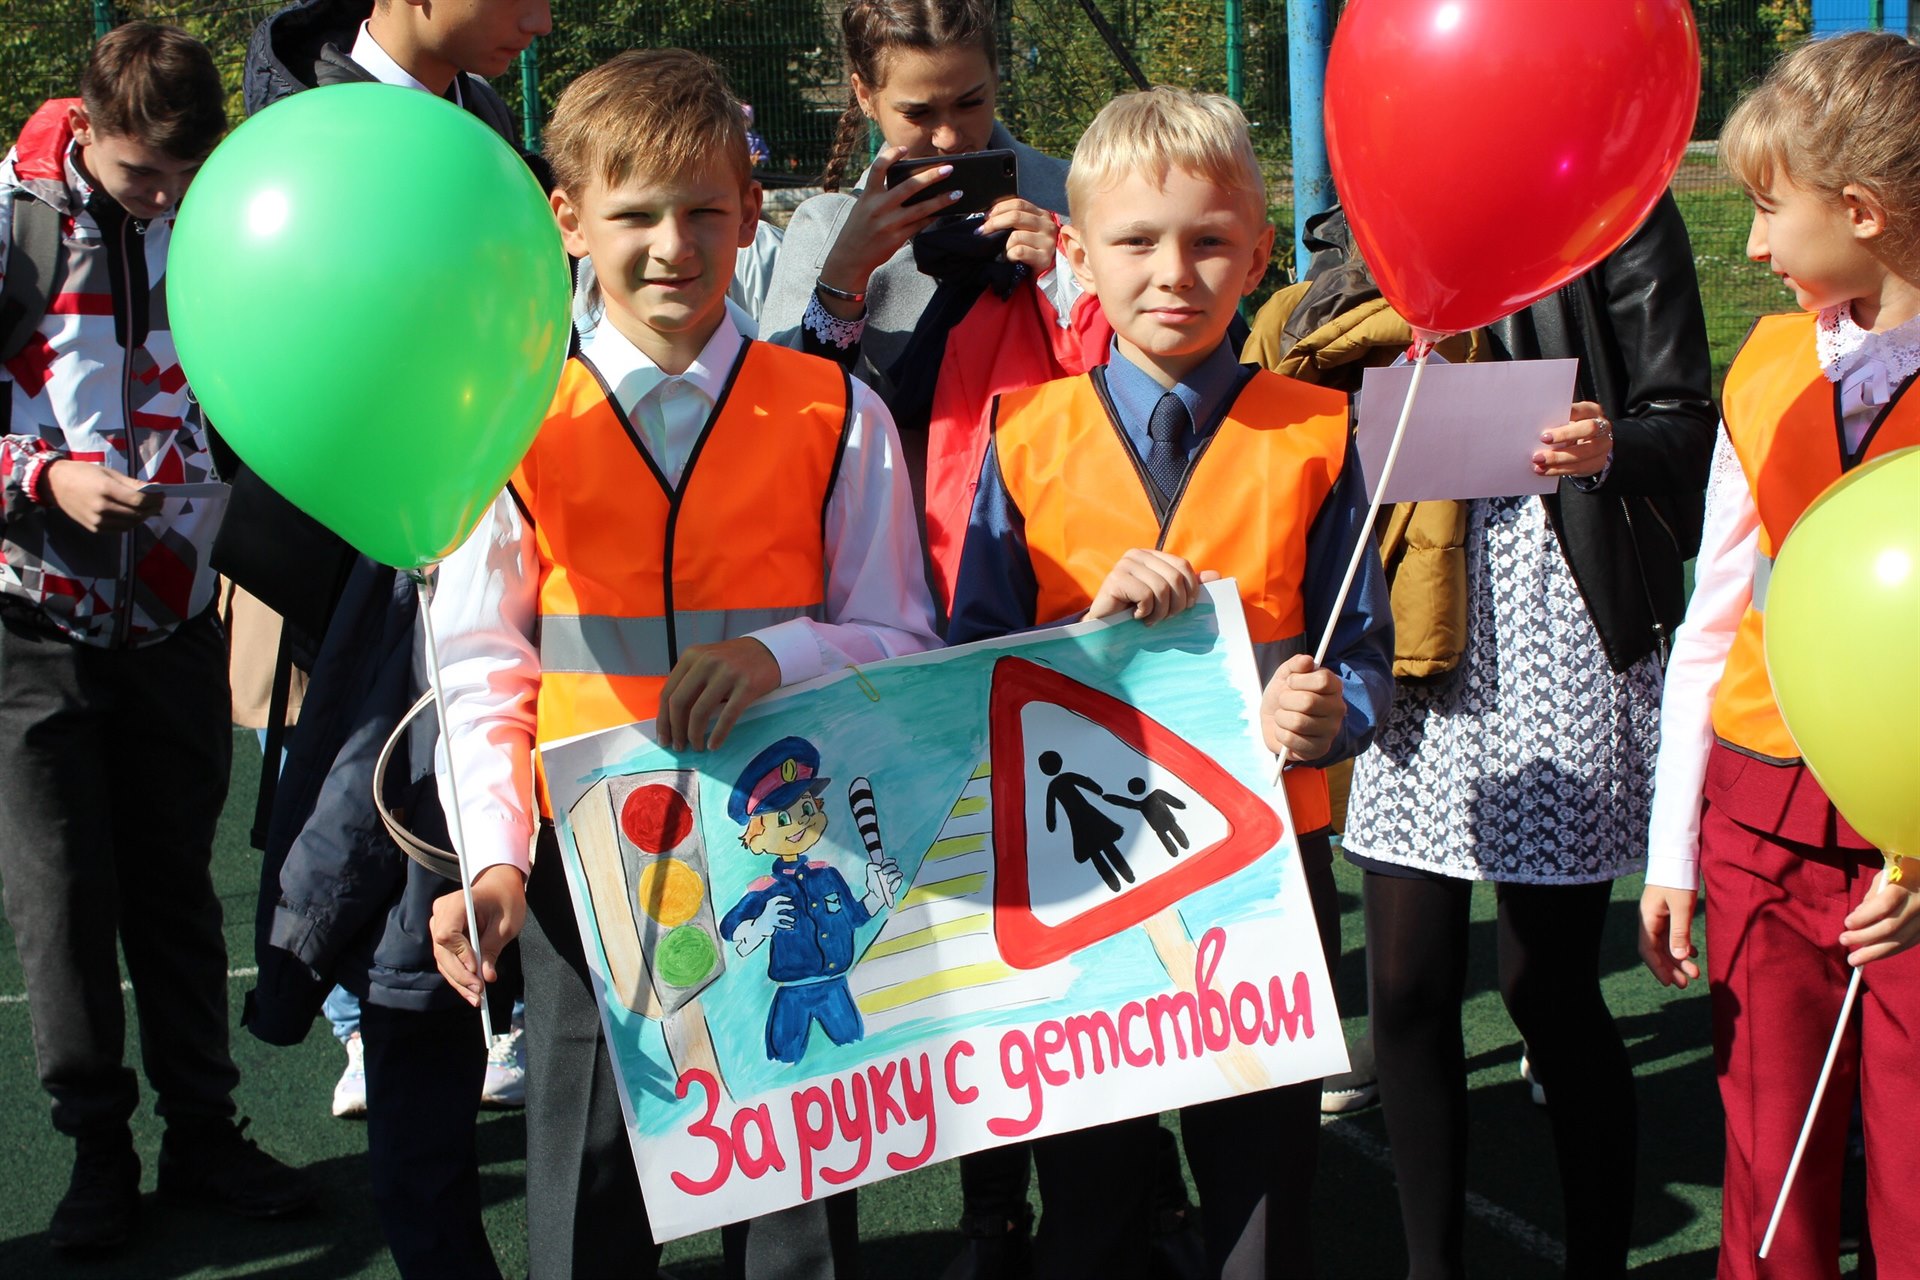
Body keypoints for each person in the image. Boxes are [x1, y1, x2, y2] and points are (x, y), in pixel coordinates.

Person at [424, 49, 939, 1277]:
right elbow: (482, 666)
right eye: (635, 215)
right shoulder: (509, 425)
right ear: (568, 220)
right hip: (581, 870)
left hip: (791, 852)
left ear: (752, 213)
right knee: (588, 1191)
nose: (672, 246)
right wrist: (493, 857)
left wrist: (780, 653)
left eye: (705, 211)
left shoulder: (836, 413)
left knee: (797, 1203)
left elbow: (906, 640)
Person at [948, 86, 1393, 1280]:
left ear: (1259, 251)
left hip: (1266, 873)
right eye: (1137, 240)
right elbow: (970, 665)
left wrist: (1330, 711)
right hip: (1076, 879)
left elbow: (1363, 652)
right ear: (1077, 252)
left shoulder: (1320, 433)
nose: (1173, 273)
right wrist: (1081, 639)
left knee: (1262, 1207)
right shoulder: (1022, 435)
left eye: (1208, 241)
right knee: (1091, 1208)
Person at [1330, 188, 1715, 1280]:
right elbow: (1317, 361)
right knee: (1405, 985)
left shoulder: (1619, 205)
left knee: (1546, 987)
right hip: (1417, 608)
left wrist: (1607, 443)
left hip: (1560, 612)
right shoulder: (1393, 194)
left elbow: (1687, 423)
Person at [235, 0, 548, 1271]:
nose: (539, 19)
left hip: (527, 623)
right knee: (411, 975)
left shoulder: (501, 147)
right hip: (374, 645)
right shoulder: (296, 150)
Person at [0, 22, 314, 1254]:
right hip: (35, 623)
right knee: (63, 903)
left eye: (187, 174)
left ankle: (204, 1133)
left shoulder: (217, 217)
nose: (166, 197)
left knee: (178, 892)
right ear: (86, 127)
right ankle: (96, 1152)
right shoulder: (14, 223)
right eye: (143, 174)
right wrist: (44, 479)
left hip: (178, 612)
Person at [1639, 31, 1920, 1280]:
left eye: (1766, 207)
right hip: (1756, 828)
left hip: (1910, 849)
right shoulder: (1762, 370)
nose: (1751, 246)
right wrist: (1673, 850)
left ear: (1860, 211)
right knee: (1768, 1179)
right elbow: (1709, 621)